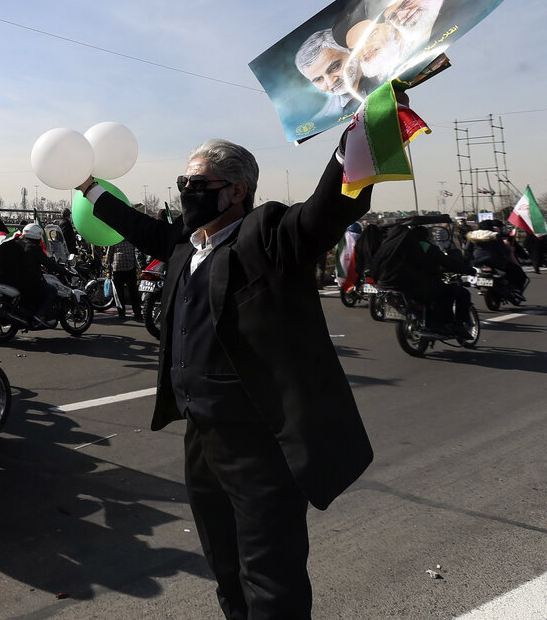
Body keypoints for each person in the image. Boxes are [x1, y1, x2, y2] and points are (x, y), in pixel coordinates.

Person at [78, 137, 373, 619]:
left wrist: (354, 144)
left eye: (196, 184)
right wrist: (89, 187)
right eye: (182, 182)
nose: (185, 192)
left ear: (237, 191)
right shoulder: (185, 243)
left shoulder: (268, 235)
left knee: (270, 578)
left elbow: (326, 210)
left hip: (260, 444)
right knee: (225, 566)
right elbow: (136, 226)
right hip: (201, 438)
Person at [372, 222, 471, 334]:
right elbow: (436, 264)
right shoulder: (418, 248)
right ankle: (456, 326)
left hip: (386, 286)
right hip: (415, 286)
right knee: (458, 292)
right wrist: (466, 269)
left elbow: (374, 267)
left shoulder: (387, 248)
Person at [468, 221, 528, 298]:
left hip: (477, 262)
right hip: (495, 261)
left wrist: (472, 258)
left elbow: (467, 249)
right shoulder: (494, 235)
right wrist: (510, 249)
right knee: (517, 271)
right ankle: (516, 290)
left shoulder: (473, 235)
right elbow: (504, 250)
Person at [108, 236, 141, 321]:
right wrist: (108, 271)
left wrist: (138, 268)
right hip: (118, 270)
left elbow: (136, 254)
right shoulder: (113, 240)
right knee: (119, 294)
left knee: (133, 292)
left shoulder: (131, 240)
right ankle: (121, 313)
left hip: (131, 269)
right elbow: (109, 256)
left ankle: (137, 313)